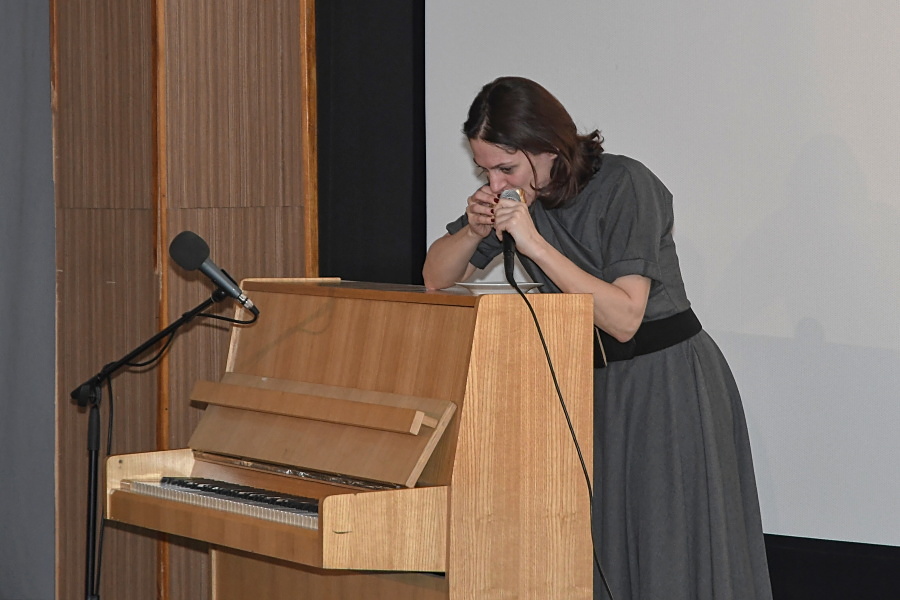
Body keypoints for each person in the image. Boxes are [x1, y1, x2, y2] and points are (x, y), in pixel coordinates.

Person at [422, 76, 773, 600]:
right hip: (587, 385)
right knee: (598, 548)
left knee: (666, 546)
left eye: (506, 168)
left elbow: (625, 316)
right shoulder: (515, 198)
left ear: (548, 147)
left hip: (664, 383)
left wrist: (534, 245)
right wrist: (472, 232)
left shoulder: (626, 183)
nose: (495, 184)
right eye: (484, 171)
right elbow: (434, 277)